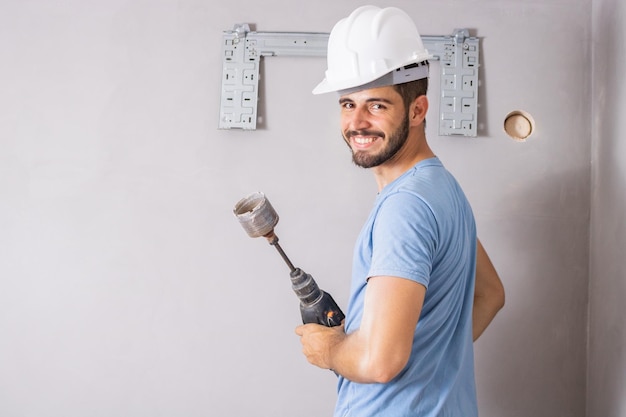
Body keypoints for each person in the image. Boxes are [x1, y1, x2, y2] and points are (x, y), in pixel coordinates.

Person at [295, 5, 505, 417]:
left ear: (417, 110)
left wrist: (330, 348)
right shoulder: (442, 189)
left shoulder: (405, 208)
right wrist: (427, 363)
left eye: (376, 106)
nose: (356, 123)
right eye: (347, 103)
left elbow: (379, 362)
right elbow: (491, 295)